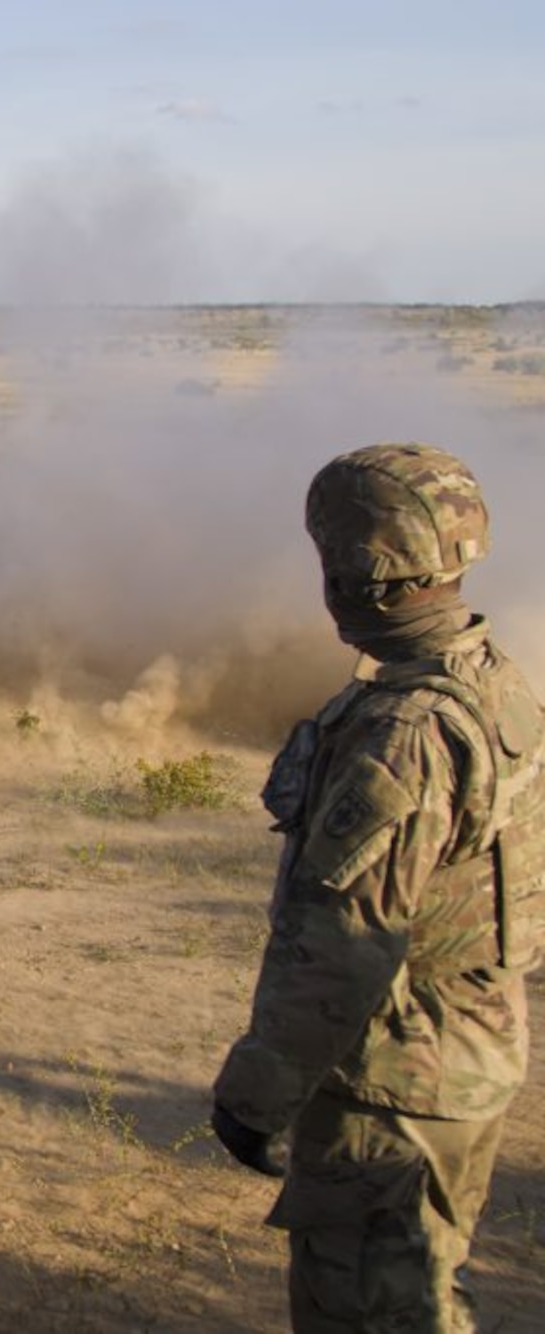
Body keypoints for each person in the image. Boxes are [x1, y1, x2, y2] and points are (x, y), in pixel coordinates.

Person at [213, 443, 545, 1331]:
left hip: (397, 1082)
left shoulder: (407, 728)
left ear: (356, 573)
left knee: (370, 1306)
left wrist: (259, 1092)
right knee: (425, 1288)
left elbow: (344, 943)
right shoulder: (496, 682)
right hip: (470, 1055)